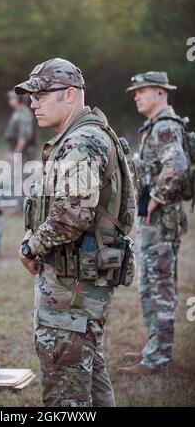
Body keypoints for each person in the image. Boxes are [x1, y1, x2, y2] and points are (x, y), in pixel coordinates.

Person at [16, 58, 135, 406]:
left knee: (66, 391)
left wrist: (31, 248)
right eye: (30, 97)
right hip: (79, 284)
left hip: (73, 289)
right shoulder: (84, 135)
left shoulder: (82, 141)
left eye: (40, 94)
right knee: (90, 376)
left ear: (70, 94)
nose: (33, 103)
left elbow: (73, 214)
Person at [118, 71, 188, 375]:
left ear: (161, 92)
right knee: (149, 284)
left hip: (161, 220)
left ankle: (158, 358)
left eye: (142, 91)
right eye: (135, 92)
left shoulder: (165, 127)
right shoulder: (155, 127)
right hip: (154, 220)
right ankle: (155, 347)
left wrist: (156, 198)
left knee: (158, 286)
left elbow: (177, 166)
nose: (136, 96)